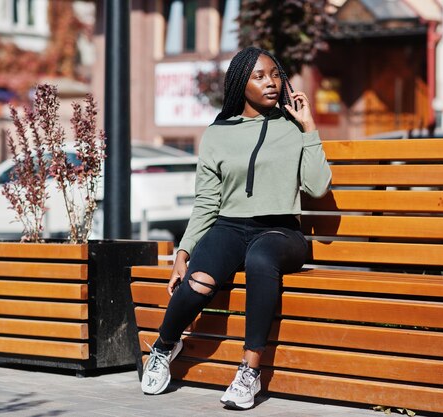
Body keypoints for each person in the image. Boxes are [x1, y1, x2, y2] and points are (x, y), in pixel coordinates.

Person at [141, 46, 332, 410]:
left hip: (280, 233)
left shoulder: (293, 128)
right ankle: (165, 346)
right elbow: (207, 203)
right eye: (259, 76)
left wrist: (309, 127)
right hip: (230, 227)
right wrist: (183, 251)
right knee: (198, 282)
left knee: (261, 259)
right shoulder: (217, 134)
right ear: (239, 84)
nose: (271, 82)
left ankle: (249, 370)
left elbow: (318, 186)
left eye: (275, 74)